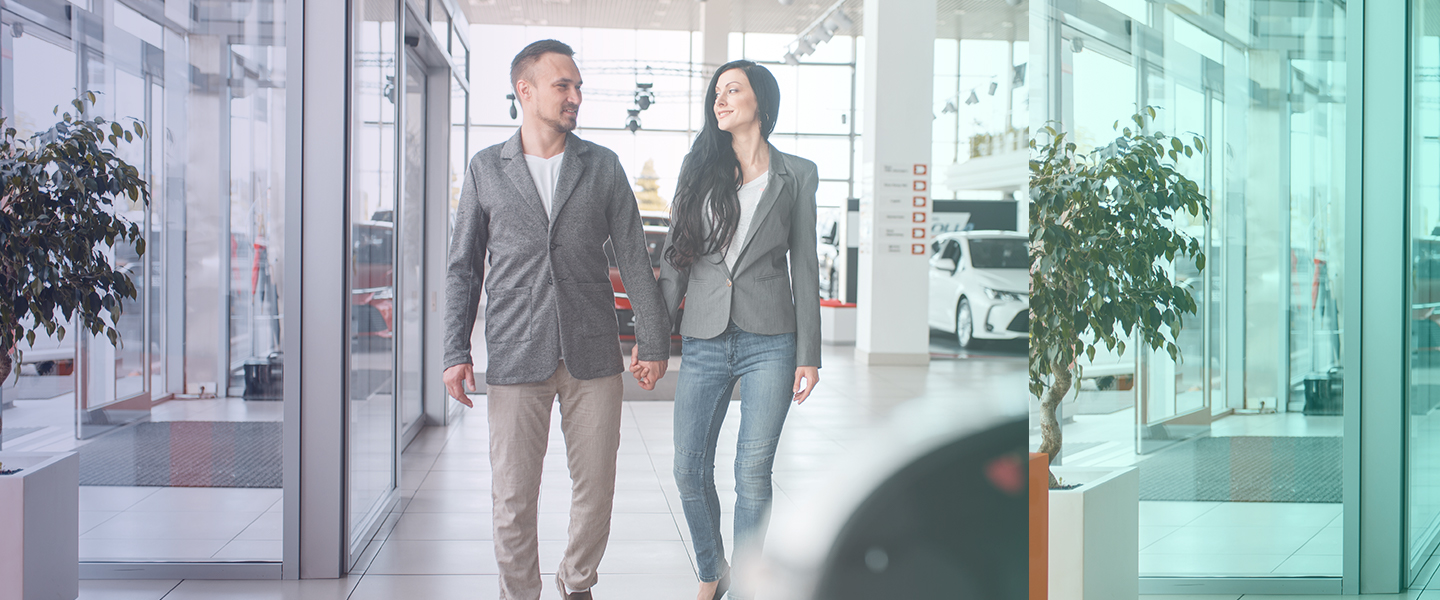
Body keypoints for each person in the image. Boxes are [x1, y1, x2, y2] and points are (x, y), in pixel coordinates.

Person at [441, 39, 672, 600]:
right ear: (526, 91)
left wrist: (653, 338)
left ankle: (576, 583)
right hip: (517, 350)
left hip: (593, 352)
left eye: (578, 86)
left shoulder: (602, 166)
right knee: (513, 496)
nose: (575, 96)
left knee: (596, 487)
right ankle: (519, 592)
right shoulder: (486, 169)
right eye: (562, 85)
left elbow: (634, 257)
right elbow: (463, 268)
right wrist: (455, 350)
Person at [637, 59, 822, 600]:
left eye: (732, 90)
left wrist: (808, 353)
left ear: (760, 101)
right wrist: (655, 341)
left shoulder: (798, 174)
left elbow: (805, 267)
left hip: (772, 339)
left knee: (752, 474)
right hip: (704, 338)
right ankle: (711, 567)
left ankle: (744, 584)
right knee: (688, 469)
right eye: (716, 93)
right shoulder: (697, 169)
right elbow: (675, 262)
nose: (719, 100)